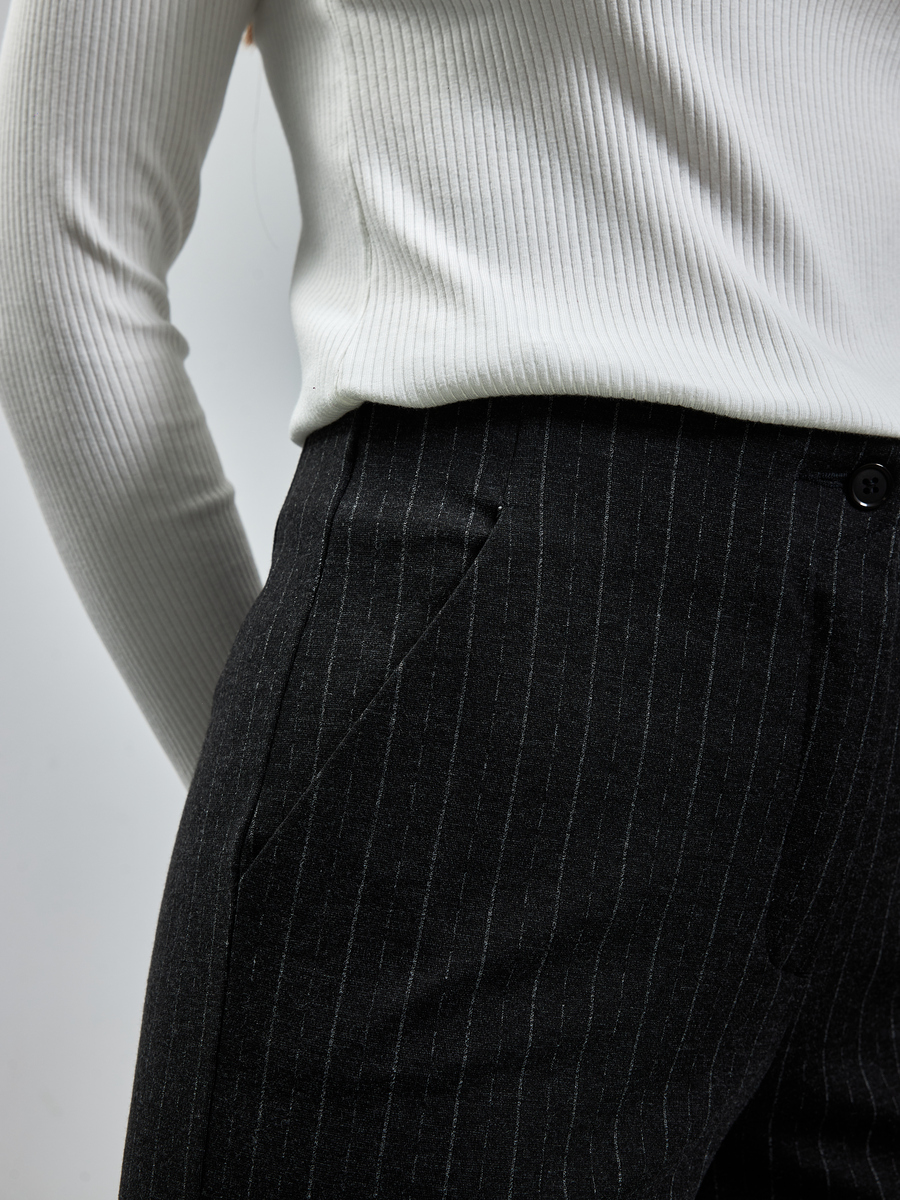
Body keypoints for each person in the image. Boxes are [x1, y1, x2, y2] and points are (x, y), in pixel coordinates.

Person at [0, 0, 898, 1195]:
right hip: (567, 638)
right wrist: (285, 786)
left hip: (556, 647)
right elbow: (61, 249)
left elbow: (56, 248)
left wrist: (288, 795)